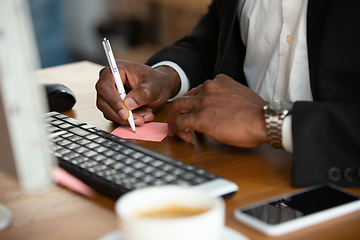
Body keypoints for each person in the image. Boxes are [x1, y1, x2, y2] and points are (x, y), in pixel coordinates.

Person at [96, 0, 360, 187]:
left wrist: (271, 121)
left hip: (337, 185)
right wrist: (168, 75)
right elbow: (220, 32)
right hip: (237, 169)